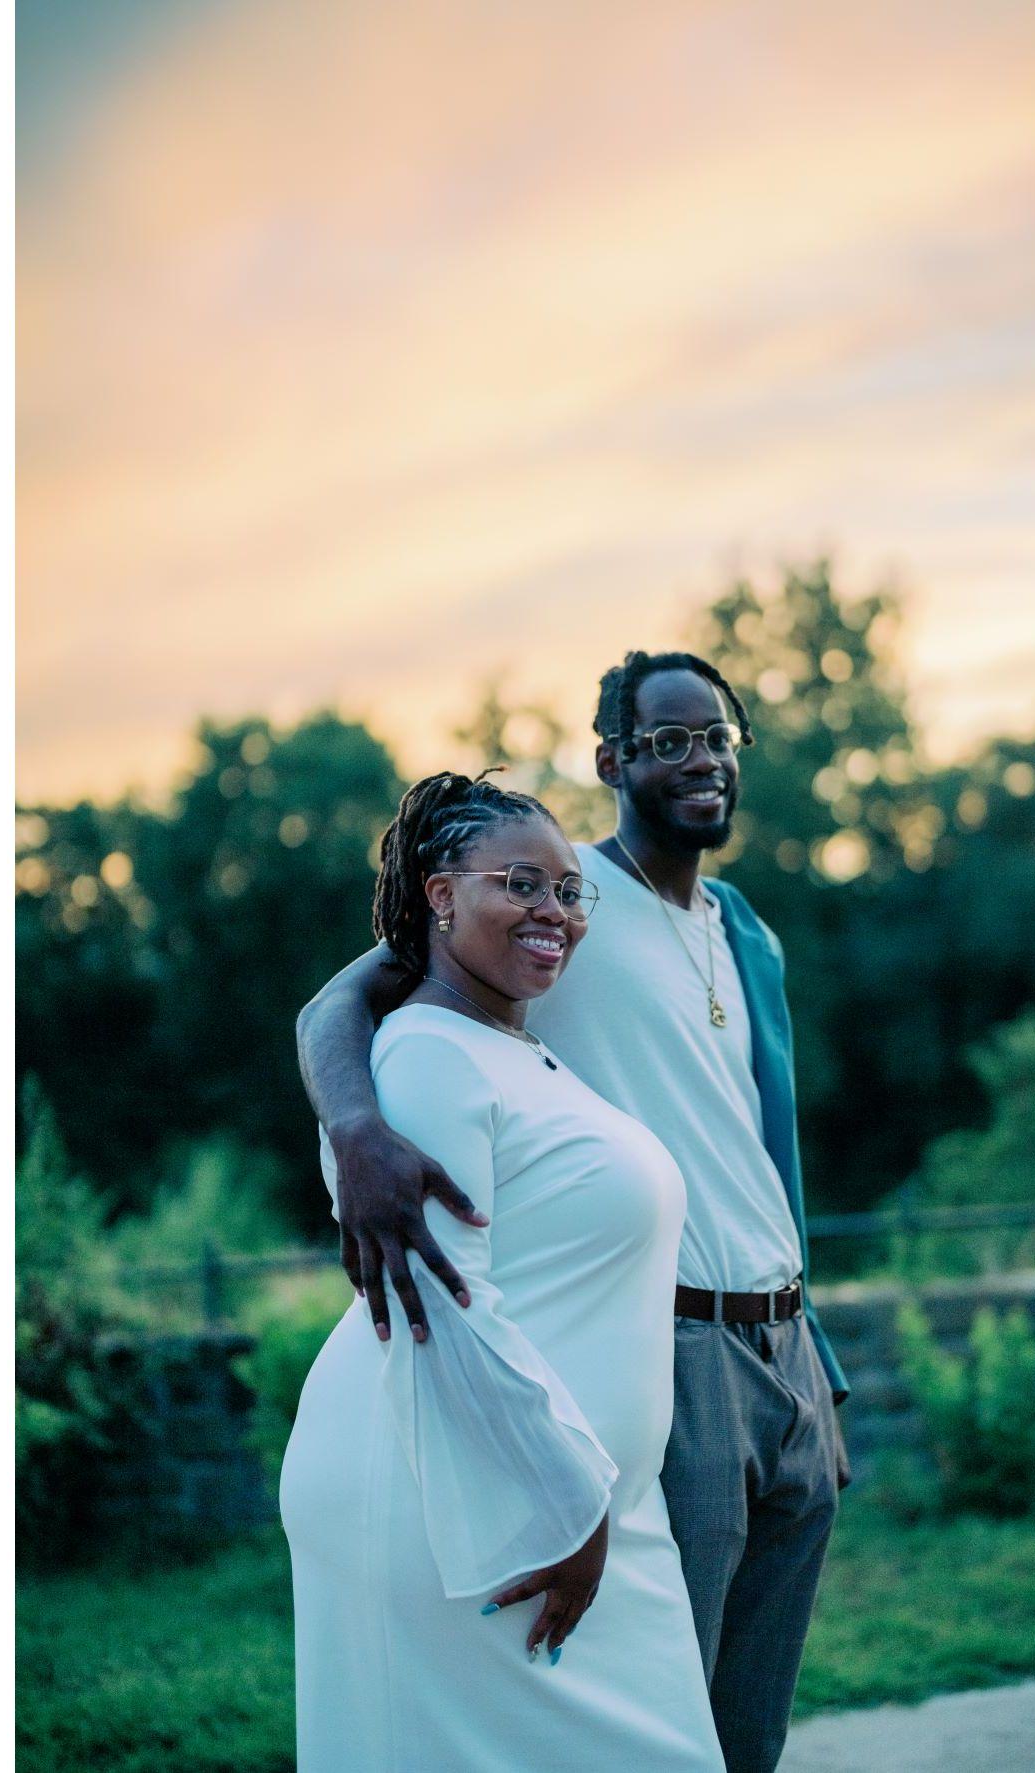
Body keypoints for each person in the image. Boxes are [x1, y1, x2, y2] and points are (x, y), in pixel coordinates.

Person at [297, 651, 849, 1773]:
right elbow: (337, 1002)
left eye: (718, 737)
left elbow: (762, 1153)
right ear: (612, 761)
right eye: (668, 740)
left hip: (784, 1349)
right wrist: (353, 1126)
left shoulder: (747, 930)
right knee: (655, 1708)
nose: (701, 759)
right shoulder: (552, 888)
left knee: (747, 1729)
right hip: (675, 1344)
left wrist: (811, 1358)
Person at [279, 769, 725, 1773]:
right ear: (440, 894)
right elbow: (444, 1309)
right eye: (519, 883)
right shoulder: (425, 1057)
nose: (553, 911)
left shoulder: (516, 1049)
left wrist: (588, 1499)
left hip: (583, 1504)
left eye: (568, 890)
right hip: (475, 1504)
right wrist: (563, 1499)